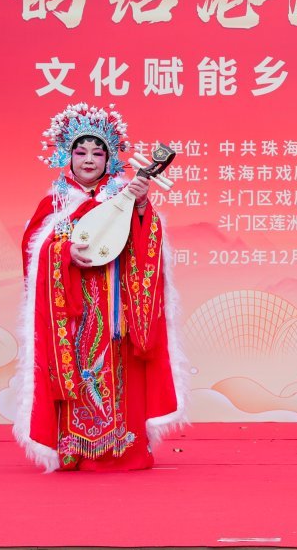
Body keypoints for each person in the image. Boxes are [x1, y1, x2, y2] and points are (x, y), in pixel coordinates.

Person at [15, 103, 185, 472]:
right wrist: (63, 253)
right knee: (76, 369)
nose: (89, 160)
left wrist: (142, 206)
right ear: (67, 156)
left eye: (98, 152)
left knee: (120, 371)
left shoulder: (123, 195)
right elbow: (34, 249)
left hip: (116, 307)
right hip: (72, 309)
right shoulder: (55, 201)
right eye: (81, 152)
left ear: (110, 158)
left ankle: (122, 449)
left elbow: (147, 241)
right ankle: (74, 448)